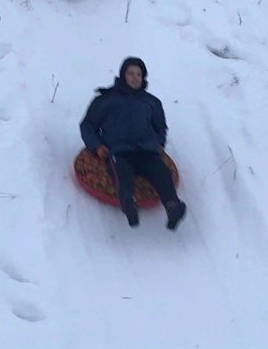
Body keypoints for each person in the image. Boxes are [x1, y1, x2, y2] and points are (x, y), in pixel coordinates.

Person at [79, 57, 187, 230]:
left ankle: (173, 206)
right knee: (122, 172)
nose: (135, 77)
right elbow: (88, 125)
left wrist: (159, 144)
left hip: (146, 150)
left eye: (139, 74)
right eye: (131, 73)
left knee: (161, 172)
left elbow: (160, 127)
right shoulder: (106, 100)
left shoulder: (151, 102)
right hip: (118, 150)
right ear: (123, 75)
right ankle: (129, 204)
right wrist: (97, 146)